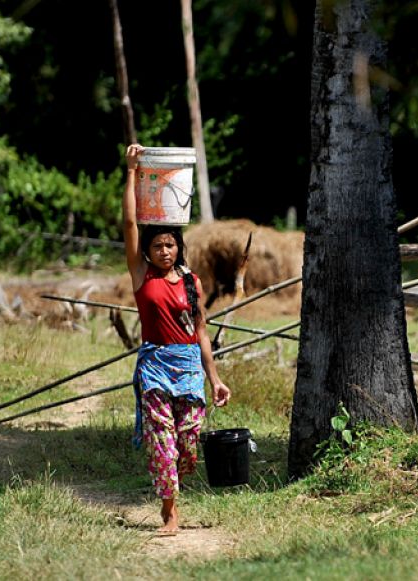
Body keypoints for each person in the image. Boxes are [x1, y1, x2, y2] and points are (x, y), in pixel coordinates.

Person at [123, 143, 231, 535]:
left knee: (187, 442)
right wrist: (133, 171)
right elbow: (131, 226)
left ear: (178, 247)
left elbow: (200, 331)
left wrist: (215, 379)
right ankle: (170, 511)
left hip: (187, 367)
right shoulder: (142, 278)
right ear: (148, 252)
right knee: (162, 438)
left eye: (170, 244)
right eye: (157, 245)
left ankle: (175, 482)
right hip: (155, 365)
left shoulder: (191, 282)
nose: (164, 250)